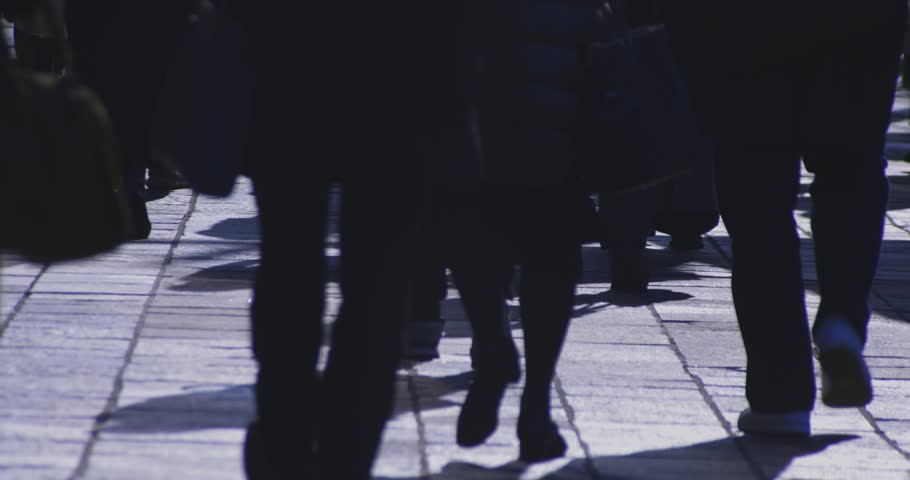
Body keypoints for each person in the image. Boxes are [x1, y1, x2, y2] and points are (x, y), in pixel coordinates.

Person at [239, 2, 480, 478]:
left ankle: (285, 439)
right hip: (407, 64)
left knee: (290, 260)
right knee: (379, 281)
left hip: (290, 55)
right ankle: (343, 457)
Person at [673, 0, 907, 435]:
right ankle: (842, 320)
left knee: (758, 199)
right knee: (850, 168)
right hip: (861, 23)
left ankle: (780, 395)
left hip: (743, 28)